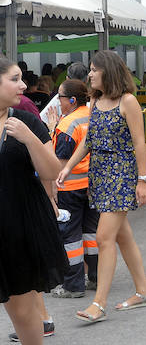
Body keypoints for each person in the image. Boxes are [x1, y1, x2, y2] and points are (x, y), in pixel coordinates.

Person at [56, 50, 146, 323]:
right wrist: (67, 167)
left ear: (107, 72)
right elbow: (88, 141)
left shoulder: (128, 101)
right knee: (122, 236)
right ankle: (143, 291)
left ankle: (99, 304)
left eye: (93, 70)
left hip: (121, 176)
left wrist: (143, 181)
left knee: (103, 238)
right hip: (99, 176)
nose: (89, 74)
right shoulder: (96, 101)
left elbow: (139, 143)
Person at [0, 58, 68, 344]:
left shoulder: (26, 119)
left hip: (19, 228)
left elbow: (52, 171)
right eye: (15, 79)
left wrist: (29, 139)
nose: (23, 85)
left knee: (23, 312)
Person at [49, 79, 100, 299]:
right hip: (92, 186)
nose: (57, 101)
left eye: (59, 96)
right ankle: (96, 276)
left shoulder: (66, 125)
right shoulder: (92, 115)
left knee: (70, 237)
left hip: (69, 187)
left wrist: (52, 129)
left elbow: (59, 162)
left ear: (71, 99)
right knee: (91, 233)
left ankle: (73, 285)